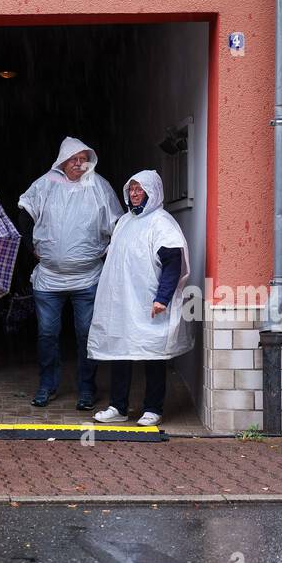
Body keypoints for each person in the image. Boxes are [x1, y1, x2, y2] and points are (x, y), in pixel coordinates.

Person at [18, 137, 123, 410]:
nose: (79, 164)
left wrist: (108, 252)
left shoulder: (99, 186)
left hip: (87, 277)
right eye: (74, 159)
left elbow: (119, 225)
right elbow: (25, 215)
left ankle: (87, 389)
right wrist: (31, 247)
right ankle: (47, 386)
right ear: (63, 160)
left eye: (83, 159)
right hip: (49, 278)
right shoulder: (45, 184)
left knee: (86, 333)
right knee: (47, 334)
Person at [88, 170, 192, 427]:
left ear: (152, 191)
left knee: (152, 355)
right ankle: (118, 407)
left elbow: (172, 264)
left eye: (139, 189)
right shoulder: (125, 221)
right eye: (131, 189)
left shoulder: (162, 223)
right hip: (123, 303)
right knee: (120, 353)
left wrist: (163, 298)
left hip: (149, 303)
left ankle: (153, 408)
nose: (134, 194)